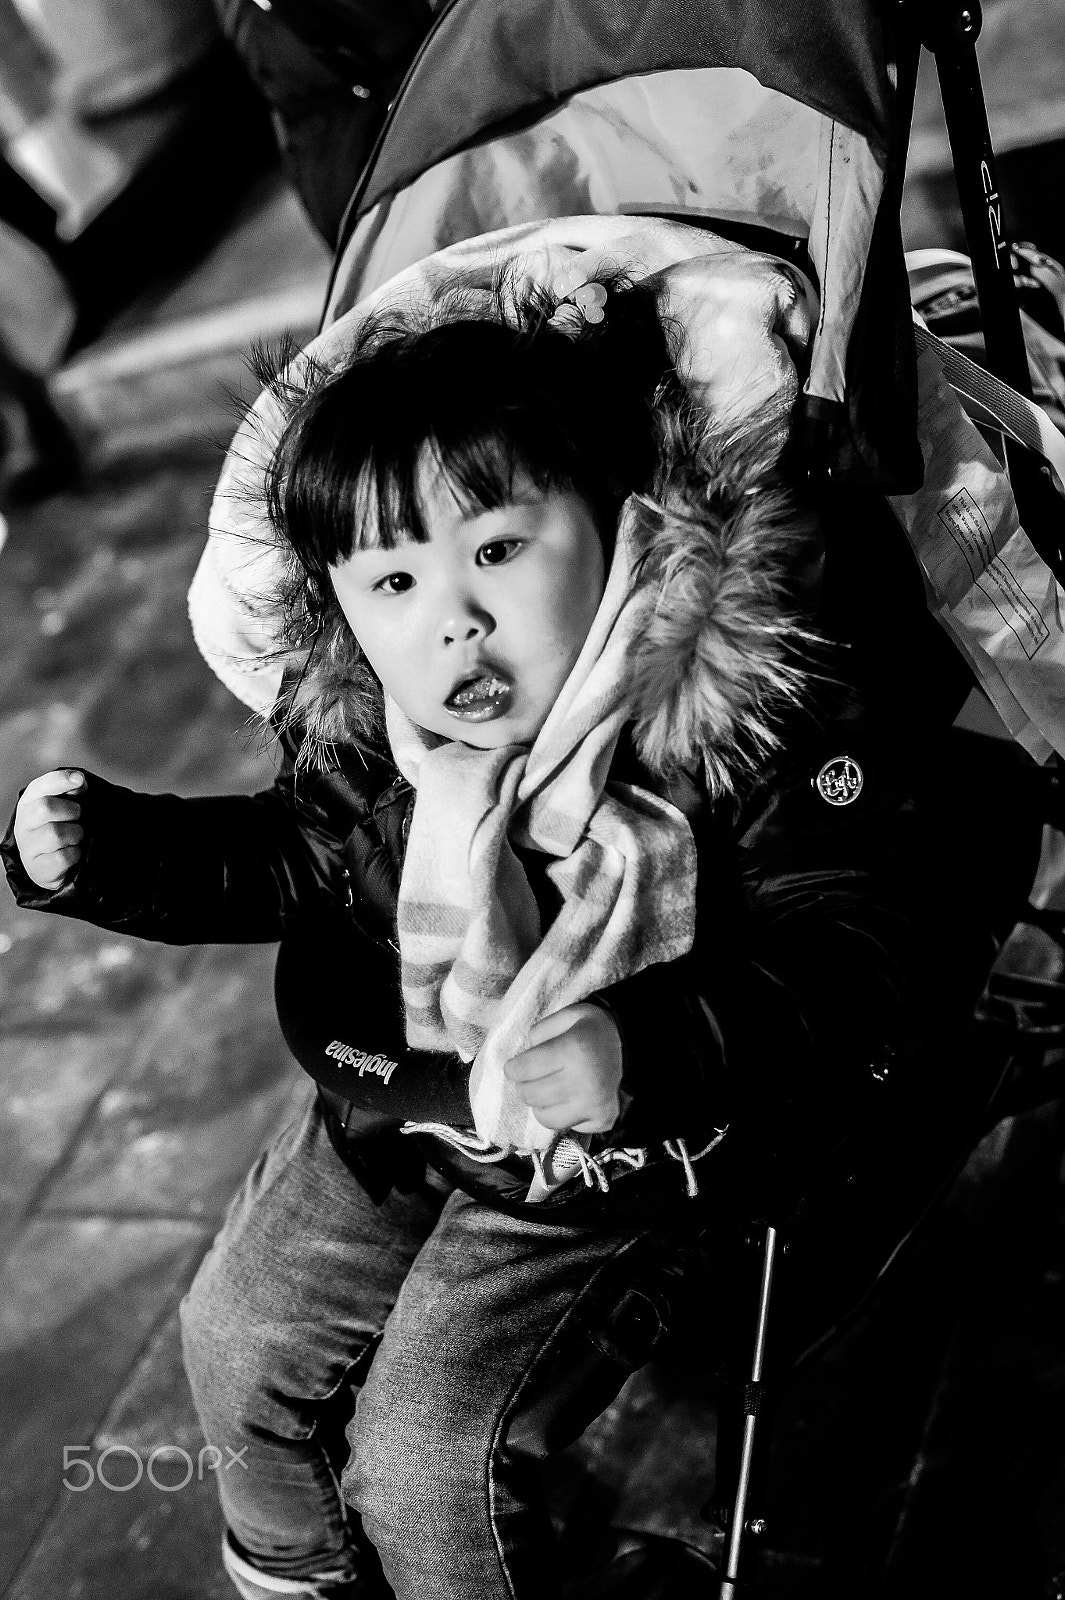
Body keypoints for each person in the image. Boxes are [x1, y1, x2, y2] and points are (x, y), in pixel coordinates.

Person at [2, 251, 1022, 1600]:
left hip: (618, 1157)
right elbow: (289, 855)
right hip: (407, 1110)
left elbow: (863, 937)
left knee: (423, 1460)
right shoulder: (387, 741)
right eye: (393, 585)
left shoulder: (733, 720)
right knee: (234, 1337)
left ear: (614, 516)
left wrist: (647, 1048)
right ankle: (299, 1572)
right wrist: (112, 855)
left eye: (495, 551)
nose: (453, 623)